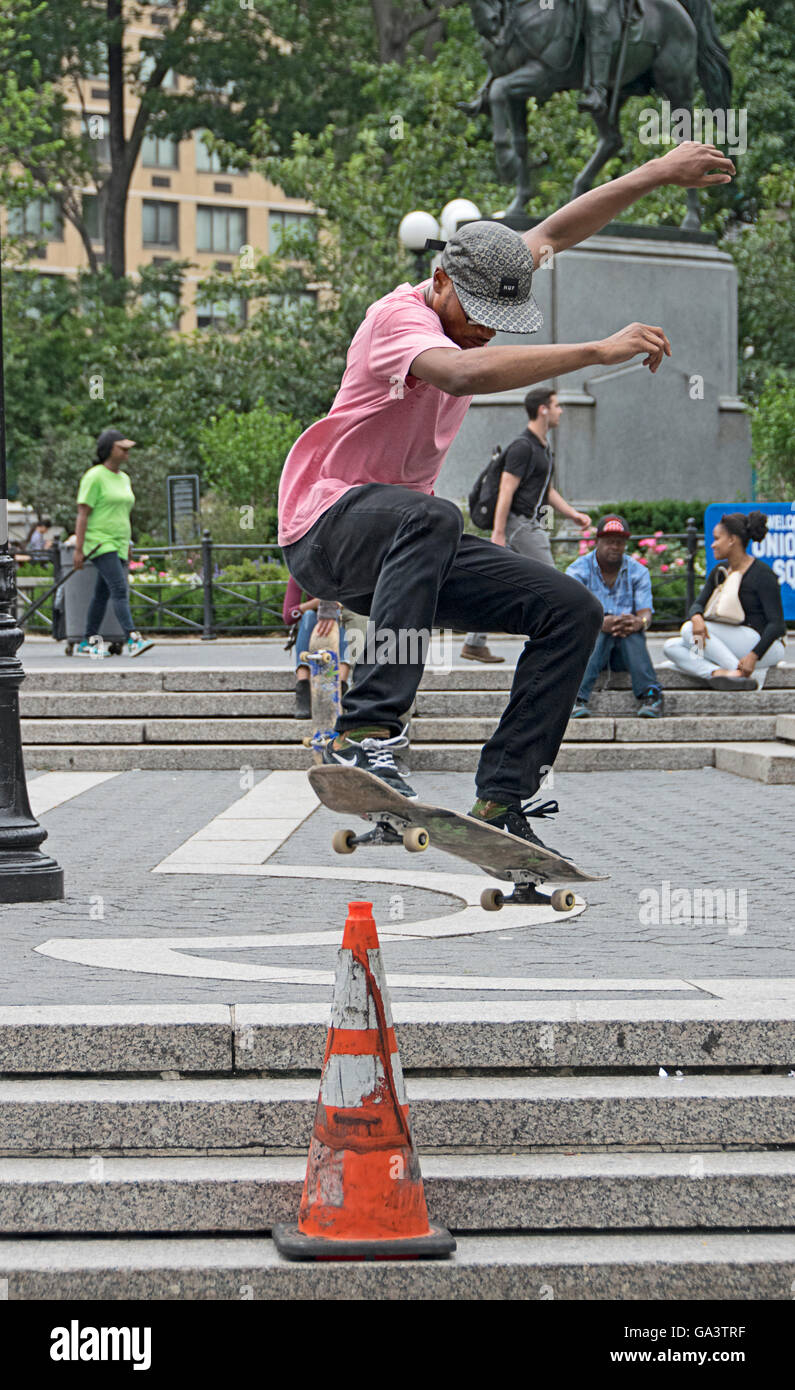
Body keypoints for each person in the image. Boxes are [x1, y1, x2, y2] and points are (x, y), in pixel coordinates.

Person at [278, 140, 734, 857]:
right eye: (476, 315)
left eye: (499, 317)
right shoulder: (398, 319)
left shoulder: (485, 264)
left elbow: (554, 231)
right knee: (431, 514)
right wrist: (592, 351)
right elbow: (459, 376)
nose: (485, 327)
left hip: (403, 547)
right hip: (326, 523)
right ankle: (366, 733)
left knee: (572, 609)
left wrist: (652, 173)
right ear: (439, 279)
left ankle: (502, 795)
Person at [462, 387, 591, 660]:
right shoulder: (523, 446)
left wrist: (573, 514)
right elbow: (506, 491)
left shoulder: (543, 449)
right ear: (542, 409)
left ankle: (474, 642)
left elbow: (549, 492)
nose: (560, 411)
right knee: (555, 581)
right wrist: (498, 533)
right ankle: (559, 641)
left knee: (496, 585)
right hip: (518, 524)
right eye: (556, 405)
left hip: (524, 522)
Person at [663, 511, 786, 690]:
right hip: (729, 646)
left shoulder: (762, 574)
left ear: (732, 540)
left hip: (763, 647)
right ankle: (719, 673)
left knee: (688, 630)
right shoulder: (720, 571)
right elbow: (698, 604)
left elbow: (777, 625)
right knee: (671, 646)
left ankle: (737, 672)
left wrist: (753, 656)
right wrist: (697, 617)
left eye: (717, 538)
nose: (712, 545)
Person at [566, 515, 663, 717]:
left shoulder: (638, 571)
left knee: (631, 630)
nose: (615, 546)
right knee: (596, 630)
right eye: (609, 541)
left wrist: (639, 622)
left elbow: (646, 613)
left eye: (619, 542)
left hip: (625, 654)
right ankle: (575, 698)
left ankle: (651, 696)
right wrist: (600, 623)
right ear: (597, 542)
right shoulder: (578, 570)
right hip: (589, 651)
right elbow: (572, 614)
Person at [73, 429, 154, 657]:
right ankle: (133, 638)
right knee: (119, 588)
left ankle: (86, 642)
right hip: (99, 542)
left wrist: (127, 543)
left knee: (103, 593)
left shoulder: (124, 478)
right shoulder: (94, 476)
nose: (128, 451)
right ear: (109, 449)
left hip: (118, 542)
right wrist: (79, 549)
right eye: (123, 448)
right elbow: (83, 513)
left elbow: (124, 514)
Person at [283, 576, 354, 719]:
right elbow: (288, 616)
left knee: (341, 615)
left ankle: (340, 687)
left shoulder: (343, 568)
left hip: (340, 625)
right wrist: (317, 603)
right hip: (314, 629)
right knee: (308, 615)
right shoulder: (301, 573)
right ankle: (303, 690)